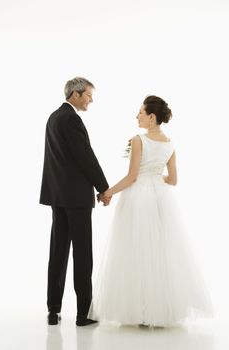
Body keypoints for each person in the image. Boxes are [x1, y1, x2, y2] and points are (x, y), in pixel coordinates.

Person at [88, 95, 213, 326]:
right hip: (161, 199)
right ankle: (160, 311)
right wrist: (156, 177)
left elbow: (132, 177)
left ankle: (139, 310)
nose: (137, 116)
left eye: (140, 113)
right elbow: (173, 180)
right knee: (160, 252)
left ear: (152, 117)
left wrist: (108, 192)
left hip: (138, 199)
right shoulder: (170, 144)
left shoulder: (138, 140)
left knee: (135, 251)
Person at [39, 77, 110, 326]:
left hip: (57, 196)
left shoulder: (53, 117)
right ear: (76, 94)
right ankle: (83, 314)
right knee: (82, 255)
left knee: (57, 253)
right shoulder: (71, 119)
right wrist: (104, 188)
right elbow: (85, 158)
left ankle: (53, 310)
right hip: (77, 199)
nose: (91, 100)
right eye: (89, 95)